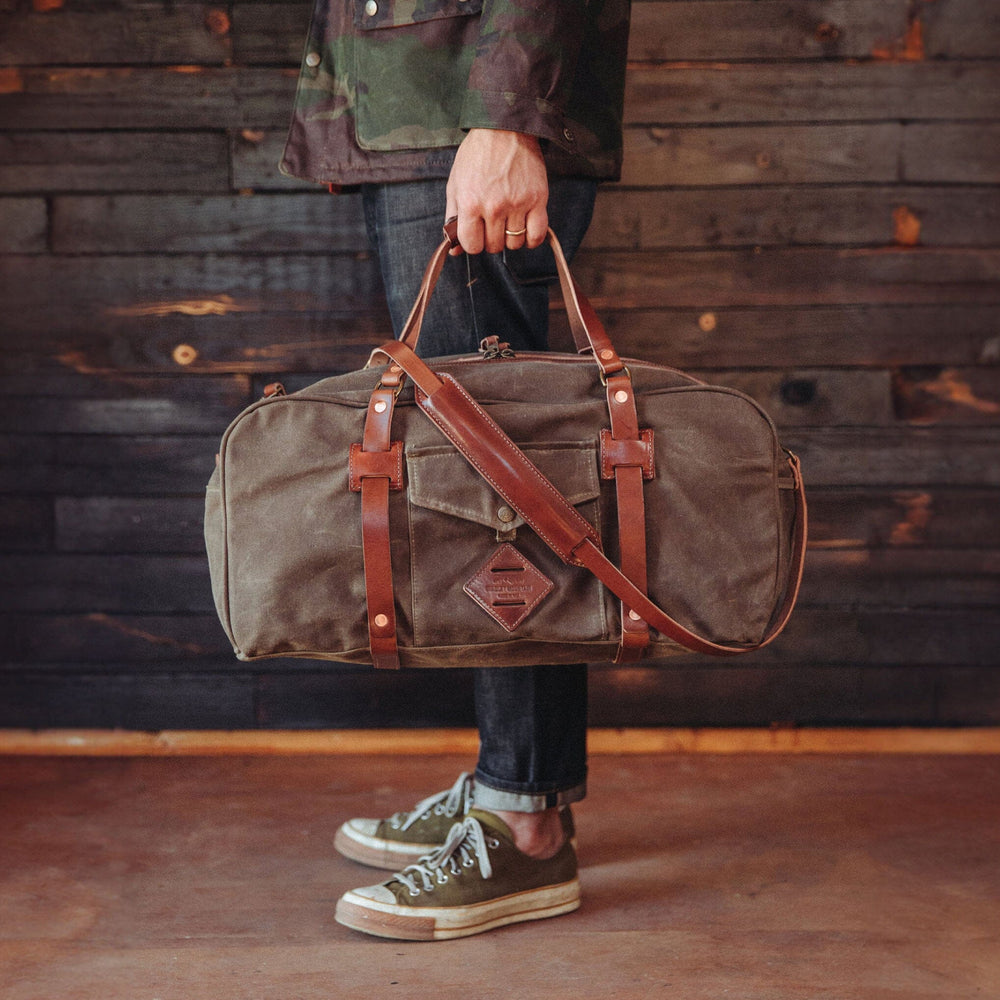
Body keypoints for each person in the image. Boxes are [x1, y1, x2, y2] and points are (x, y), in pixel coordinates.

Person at [280, 0, 630, 940]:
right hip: (420, 118)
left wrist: (504, 120)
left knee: (498, 484)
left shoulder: (486, 127)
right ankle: (512, 778)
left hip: (464, 120)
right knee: (481, 479)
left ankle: (524, 823)